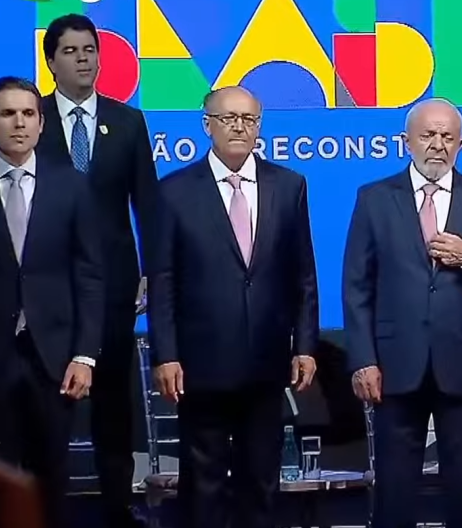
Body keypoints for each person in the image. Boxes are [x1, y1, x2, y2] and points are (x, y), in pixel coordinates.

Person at [343, 98, 462, 528]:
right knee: (393, 493)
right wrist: (364, 359)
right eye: (428, 135)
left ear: (461, 143)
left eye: (448, 136)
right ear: (406, 141)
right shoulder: (374, 199)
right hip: (395, 367)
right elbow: (357, 286)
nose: (438, 145)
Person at [148, 86, 319, 528]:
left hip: (266, 361)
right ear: (207, 125)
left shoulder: (289, 186)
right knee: (203, 483)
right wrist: (165, 354)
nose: (240, 127)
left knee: (261, 481)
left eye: (249, 119)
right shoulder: (174, 191)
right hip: (199, 364)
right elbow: (163, 281)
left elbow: (303, 274)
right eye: (229, 118)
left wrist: (305, 346)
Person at [37, 15, 158, 527]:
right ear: (51, 61)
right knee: (48, 401)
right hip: (47, 282)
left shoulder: (126, 121)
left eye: (90, 49)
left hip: (113, 282)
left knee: (112, 397)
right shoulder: (32, 116)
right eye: (71, 51)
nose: (84, 59)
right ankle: (44, 507)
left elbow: (147, 203)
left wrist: (151, 269)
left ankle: (118, 504)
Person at [0, 76, 104, 528]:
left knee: (51, 483)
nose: (19, 123)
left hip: (55, 361)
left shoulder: (71, 186)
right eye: (8, 114)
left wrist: (85, 355)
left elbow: (90, 276)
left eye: (28, 113)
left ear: (42, 122)